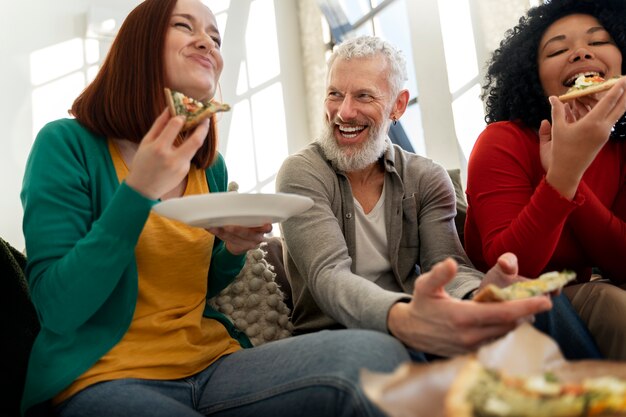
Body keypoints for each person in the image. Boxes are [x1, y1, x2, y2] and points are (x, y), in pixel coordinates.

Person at [19, 1, 411, 416]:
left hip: (212, 366)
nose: (206, 41)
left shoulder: (210, 167)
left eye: (216, 37)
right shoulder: (65, 145)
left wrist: (233, 249)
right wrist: (137, 192)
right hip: (103, 377)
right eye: (184, 26)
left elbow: (197, 286)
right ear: (139, 43)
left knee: (380, 359)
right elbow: (57, 308)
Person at [275, 35, 600, 360]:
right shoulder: (301, 174)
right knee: (396, 350)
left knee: (535, 299)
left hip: (422, 320)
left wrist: (481, 292)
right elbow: (329, 276)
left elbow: (449, 267)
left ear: (397, 106)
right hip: (337, 334)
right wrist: (408, 317)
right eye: (335, 94)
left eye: (363, 96)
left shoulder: (426, 176)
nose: (344, 112)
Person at [464, 0, 626, 360]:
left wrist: (573, 171)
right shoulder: (502, 140)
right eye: (558, 49)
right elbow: (509, 267)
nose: (581, 53)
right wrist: (563, 175)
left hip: (582, 296)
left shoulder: (620, 152)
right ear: (533, 76)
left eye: (598, 42)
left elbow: (621, 262)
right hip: (508, 307)